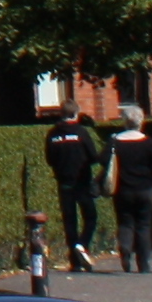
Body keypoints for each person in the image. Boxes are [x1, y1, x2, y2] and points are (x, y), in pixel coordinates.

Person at [44, 107, 105, 272]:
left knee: (70, 222)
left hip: (64, 183)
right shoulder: (81, 132)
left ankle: (75, 262)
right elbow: (93, 156)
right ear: (75, 114)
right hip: (82, 181)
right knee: (90, 217)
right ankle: (82, 245)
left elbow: (49, 159)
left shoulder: (52, 134)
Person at [106, 110, 152, 273]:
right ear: (141, 122)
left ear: (124, 122)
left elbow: (102, 159)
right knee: (144, 225)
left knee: (125, 222)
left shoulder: (115, 141)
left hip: (122, 190)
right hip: (145, 189)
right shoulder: (148, 143)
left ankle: (125, 249)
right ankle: (143, 264)